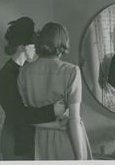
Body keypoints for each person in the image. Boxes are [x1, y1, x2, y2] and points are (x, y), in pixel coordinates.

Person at [17, 22, 92, 160]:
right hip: (65, 139)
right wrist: (81, 159)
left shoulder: (24, 71)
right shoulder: (71, 71)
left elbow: (25, 115)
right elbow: (74, 120)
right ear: (63, 43)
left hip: (36, 141)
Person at [0, 17, 65, 160]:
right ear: (23, 46)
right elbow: (18, 115)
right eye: (34, 45)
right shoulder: (5, 75)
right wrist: (52, 110)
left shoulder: (27, 70)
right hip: (16, 144)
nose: (37, 49)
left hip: (31, 141)